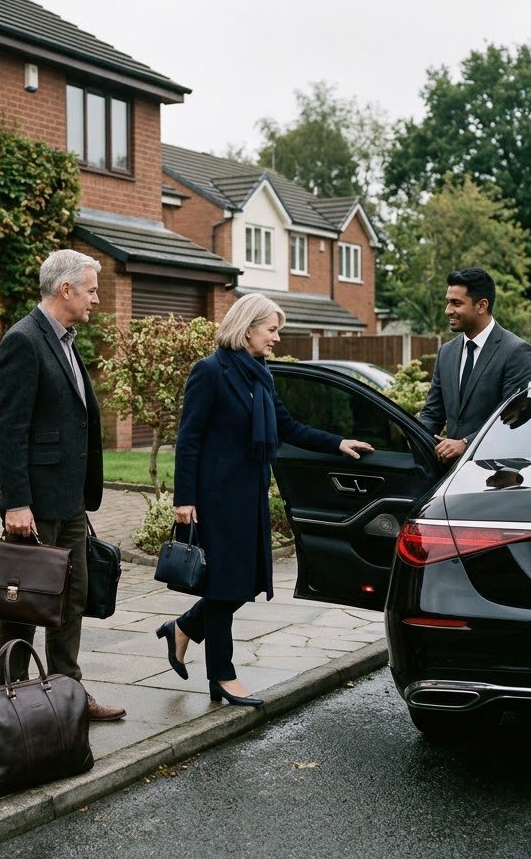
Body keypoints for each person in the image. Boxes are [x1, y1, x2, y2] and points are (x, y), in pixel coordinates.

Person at [155, 293, 374, 707]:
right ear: (248, 327)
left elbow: (287, 426)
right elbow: (189, 439)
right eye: (272, 330)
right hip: (216, 497)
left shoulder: (260, 373)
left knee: (247, 581)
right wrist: (184, 498)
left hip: (250, 494)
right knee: (224, 585)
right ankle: (222, 675)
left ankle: (182, 628)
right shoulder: (211, 371)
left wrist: (337, 442)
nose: (276, 338)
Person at [0, 248, 125, 722]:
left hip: (69, 502)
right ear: (65, 290)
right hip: (35, 505)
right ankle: (12, 701)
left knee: (71, 597)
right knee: (26, 603)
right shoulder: (24, 341)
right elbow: (11, 429)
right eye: (91, 290)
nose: (97, 299)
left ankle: (68, 695)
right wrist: (15, 503)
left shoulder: (65, 339)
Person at [418, 267, 531, 464]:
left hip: (497, 471)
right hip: (450, 473)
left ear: (481, 305)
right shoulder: (446, 352)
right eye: (448, 302)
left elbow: (512, 418)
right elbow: (432, 413)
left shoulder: (516, 351)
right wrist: (416, 439)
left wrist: (466, 443)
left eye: (456, 303)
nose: (448, 310)